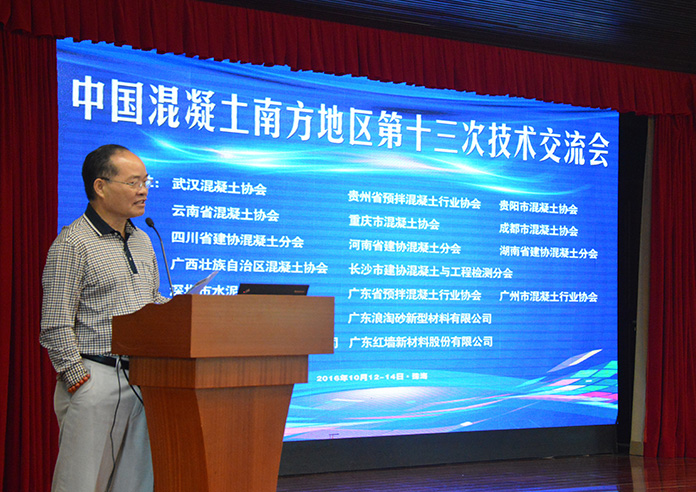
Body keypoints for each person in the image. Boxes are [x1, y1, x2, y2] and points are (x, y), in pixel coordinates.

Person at [40, 144, 168, 492]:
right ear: (100, 186)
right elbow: (54, 322)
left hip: (142, 378)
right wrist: (78, 379)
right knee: (80, 483)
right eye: (133, 182)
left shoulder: (142, 240)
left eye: (145, 181)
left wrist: (180, 310)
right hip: (96, 376)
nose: (143, 191)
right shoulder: (73, 243)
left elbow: (150, 300)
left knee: (135, 483)